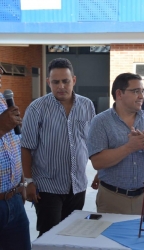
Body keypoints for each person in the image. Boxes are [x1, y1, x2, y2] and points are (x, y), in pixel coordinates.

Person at [21, 58, 96, 237]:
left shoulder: (87, 105)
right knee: (49, 236)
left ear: (74, 80)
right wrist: (28, 182)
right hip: (47, 187)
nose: (61, 86)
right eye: (55, 82)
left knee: (72, 234)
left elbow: (92, 142)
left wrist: (102, 171)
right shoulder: (36, 108)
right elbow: (25, 147)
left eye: (65, 81)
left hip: (77, 185)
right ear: (48, 82)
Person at [87, 73, 144, 215]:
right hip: (112, 199)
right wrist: (129, 147)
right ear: (119, 94)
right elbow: (97, 162)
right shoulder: (100, 121)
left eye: (142, 91)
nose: (141, 96)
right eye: (136, 91)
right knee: (110, 237)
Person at [0, 67, 31, 249]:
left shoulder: (3, 102)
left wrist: (22, 184)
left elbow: (14, 145)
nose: (2, 70)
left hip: (14, 201)